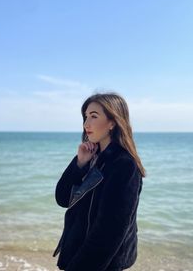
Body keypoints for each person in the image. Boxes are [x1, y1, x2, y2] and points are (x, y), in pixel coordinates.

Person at [52, 92, 145, 271]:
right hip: (77, 254)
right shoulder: (92, 158)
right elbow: (63, 199)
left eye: (94, 116)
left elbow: (110, 231)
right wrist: (79, 164)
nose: (86, 124)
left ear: (113, 122)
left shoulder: (123, 165)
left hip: (99, 264)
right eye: (86, 117)